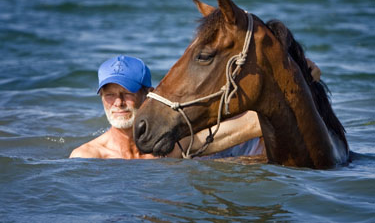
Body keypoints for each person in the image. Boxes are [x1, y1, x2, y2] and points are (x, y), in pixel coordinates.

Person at [70, 55, 320, 159]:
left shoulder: (176, 146)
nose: (118, 103)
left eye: (126, 93)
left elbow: (252, 124)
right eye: (109, 95)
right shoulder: (88, 157)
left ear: (149, 94)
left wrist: (297, 76)